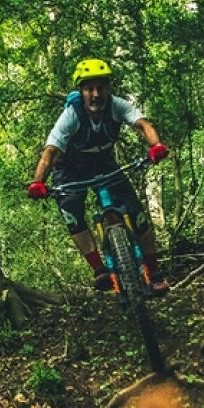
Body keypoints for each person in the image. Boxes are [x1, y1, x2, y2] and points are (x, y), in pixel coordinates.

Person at [28, 58, 172, 294]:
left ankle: (154, 273)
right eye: (89, 88)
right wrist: (38, 182)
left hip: (103, 163)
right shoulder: (71, 115)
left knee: (137, 217)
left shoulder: (118, 106)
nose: (96, 94)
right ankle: (99, 270)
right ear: (81, 91)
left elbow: (143, 125)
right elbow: (50, 152)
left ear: (109, 88)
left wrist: (156, 146)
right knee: (72, 216)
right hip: (70, 169)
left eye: (101, 87)